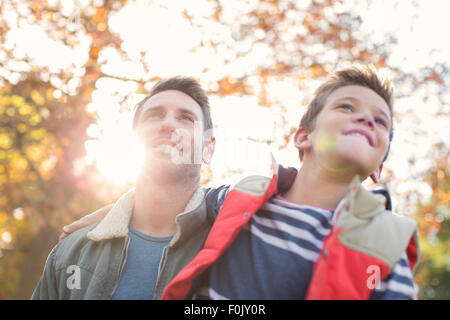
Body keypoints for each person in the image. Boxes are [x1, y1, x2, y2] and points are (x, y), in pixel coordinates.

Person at [57, 65, 420, 300]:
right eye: (346, 107)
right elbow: (173, 199)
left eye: (381, 121)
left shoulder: (384, 245)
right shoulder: (244, 198)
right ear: (303, 137)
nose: (367, 120)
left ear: (379, 167)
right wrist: (112, 215)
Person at [32, 77, 217, 299]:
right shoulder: (70, 253)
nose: (167, 124)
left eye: (186, 118)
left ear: (208, 148)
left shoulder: (241, 248)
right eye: (154, 115)